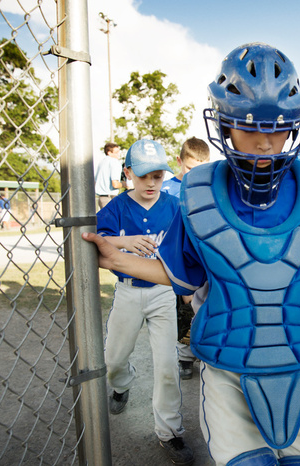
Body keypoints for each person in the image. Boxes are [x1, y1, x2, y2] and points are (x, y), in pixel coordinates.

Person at [83, 42, 300, 466]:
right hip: (227, 366)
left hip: (295, 363)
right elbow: (181, 273)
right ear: (223, 124)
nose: (264, 143)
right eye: (249, 127)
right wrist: (109, 257)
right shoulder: (199, 195)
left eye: (276, 128)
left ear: (295, 126)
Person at [95, 138, 194, 465]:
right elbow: (95, 243)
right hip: (128, 292)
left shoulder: (174, 206)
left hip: (163, 294)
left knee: (167, 365)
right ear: (127, 173)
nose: (151, 183)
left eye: (157, 175)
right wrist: (125, 241)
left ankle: (170, 431)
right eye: (143, 176)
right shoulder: (118, 207)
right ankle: (121, 384)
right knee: (113, 359)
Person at [160, 136, 211, 380]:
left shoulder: (210, 186)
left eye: (201, 168)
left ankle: (201, 348)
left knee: (201, 307)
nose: (194, 173)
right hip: (175, 258)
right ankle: (184, 356)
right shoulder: (168, 189)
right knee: (182, 310)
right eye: (190, 168)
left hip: (200, 258)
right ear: (180, 161)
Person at [95, 142, 123, 210]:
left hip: (102, 198)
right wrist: (124, 184)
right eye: (116, 152)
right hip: (110, 198)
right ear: (109, 152)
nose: (118, 154)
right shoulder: (114, 162)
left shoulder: (101, 162)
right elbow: (115, 184)